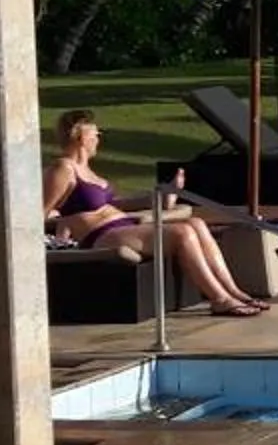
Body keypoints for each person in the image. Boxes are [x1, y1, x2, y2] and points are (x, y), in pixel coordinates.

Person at [43, 109, 265, 317]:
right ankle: (219, 299)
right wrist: (56, 223)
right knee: (182, 234)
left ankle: (235, 292)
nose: (98, 139)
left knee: (196, 223)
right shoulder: (63, 169)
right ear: (81, 137)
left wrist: (162, 196)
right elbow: (40, 210)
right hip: (99, 235)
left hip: (121, 225)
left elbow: (117, 204)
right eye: (96, 134)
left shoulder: (89, 171)